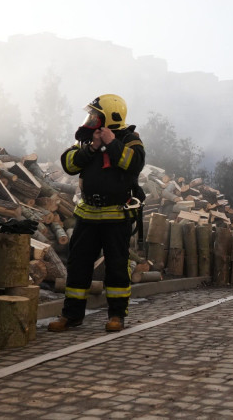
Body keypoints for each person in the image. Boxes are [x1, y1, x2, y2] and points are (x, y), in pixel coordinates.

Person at [48, 94, 145, 332]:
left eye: (95, 115)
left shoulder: (130, 140)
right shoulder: (86, 139)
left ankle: (116, 315)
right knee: (78, 266)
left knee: (117, 267)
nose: (91, 118)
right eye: (90, 114)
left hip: (116, 215)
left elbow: (134, 164)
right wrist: (92, 147)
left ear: (110, 117)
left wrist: (112, 143)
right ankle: (71, 315)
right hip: (87, 214)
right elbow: (69, 165)